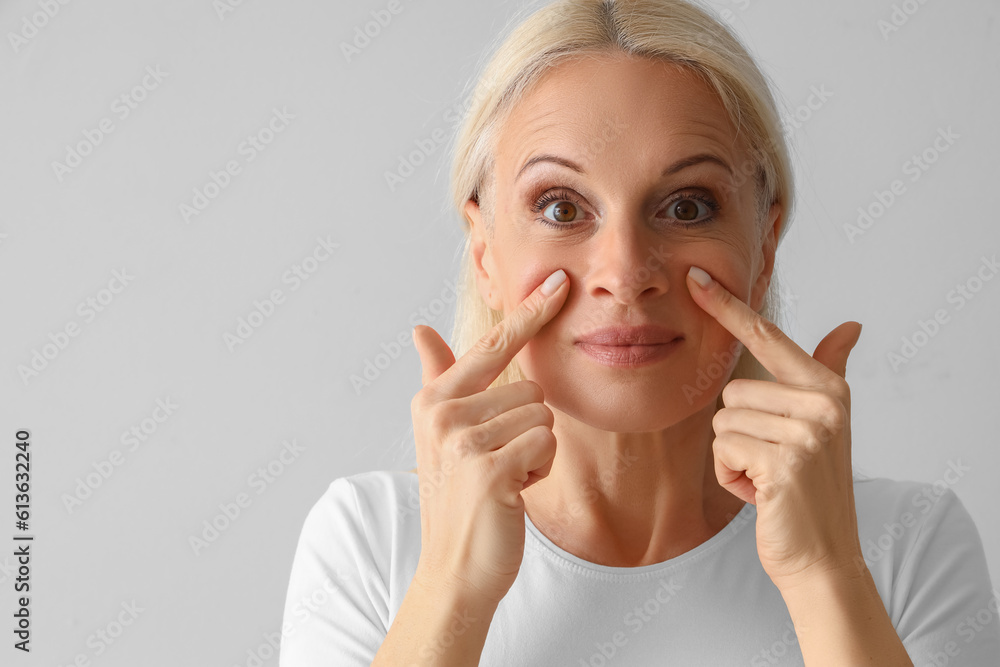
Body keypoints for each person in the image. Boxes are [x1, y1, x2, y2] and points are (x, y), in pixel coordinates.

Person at [279, 0, 1000, 664]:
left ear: (765, 247)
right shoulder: (372, 539)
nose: (625, 273)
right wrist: (452, 587)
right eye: (561, 208)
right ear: (484, 253)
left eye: (686, 207)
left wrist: (824, 574)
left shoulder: (910, 543)